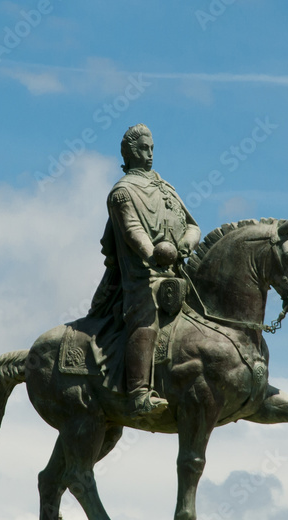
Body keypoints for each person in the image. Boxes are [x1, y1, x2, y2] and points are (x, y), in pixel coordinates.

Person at [89, 124, 200, 416]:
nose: (149, 154)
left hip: (176, 273)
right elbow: (131, 229)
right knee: (145, 319)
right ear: (128, 153)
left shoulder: (166, 188)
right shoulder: (122, 192)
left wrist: (186, 245)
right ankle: (139, 392)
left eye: (151, 148)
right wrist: (152, 255)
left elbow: (192, 225)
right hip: (141, 277)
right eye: (142, 149)